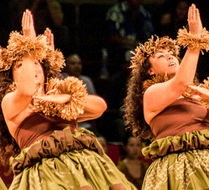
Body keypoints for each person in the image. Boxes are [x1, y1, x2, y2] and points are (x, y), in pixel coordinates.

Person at [124, 4, 209, 189]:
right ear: (149, 70)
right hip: (179, 167)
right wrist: (195, 40)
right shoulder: (151, 94)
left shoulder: (194, 97)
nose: (171, 57)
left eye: (173, 54)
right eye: (161, 56)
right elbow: (180, 82)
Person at [0, 10, 136, 190]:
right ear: (12, 76)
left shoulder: (57, 95)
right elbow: (26, 87)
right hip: (47, 173)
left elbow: (100, 107)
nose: (33, 67)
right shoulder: (10, 101)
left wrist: (62, 99)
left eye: (37, 63)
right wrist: (30, 44)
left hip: (87, 165)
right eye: (21, 65)